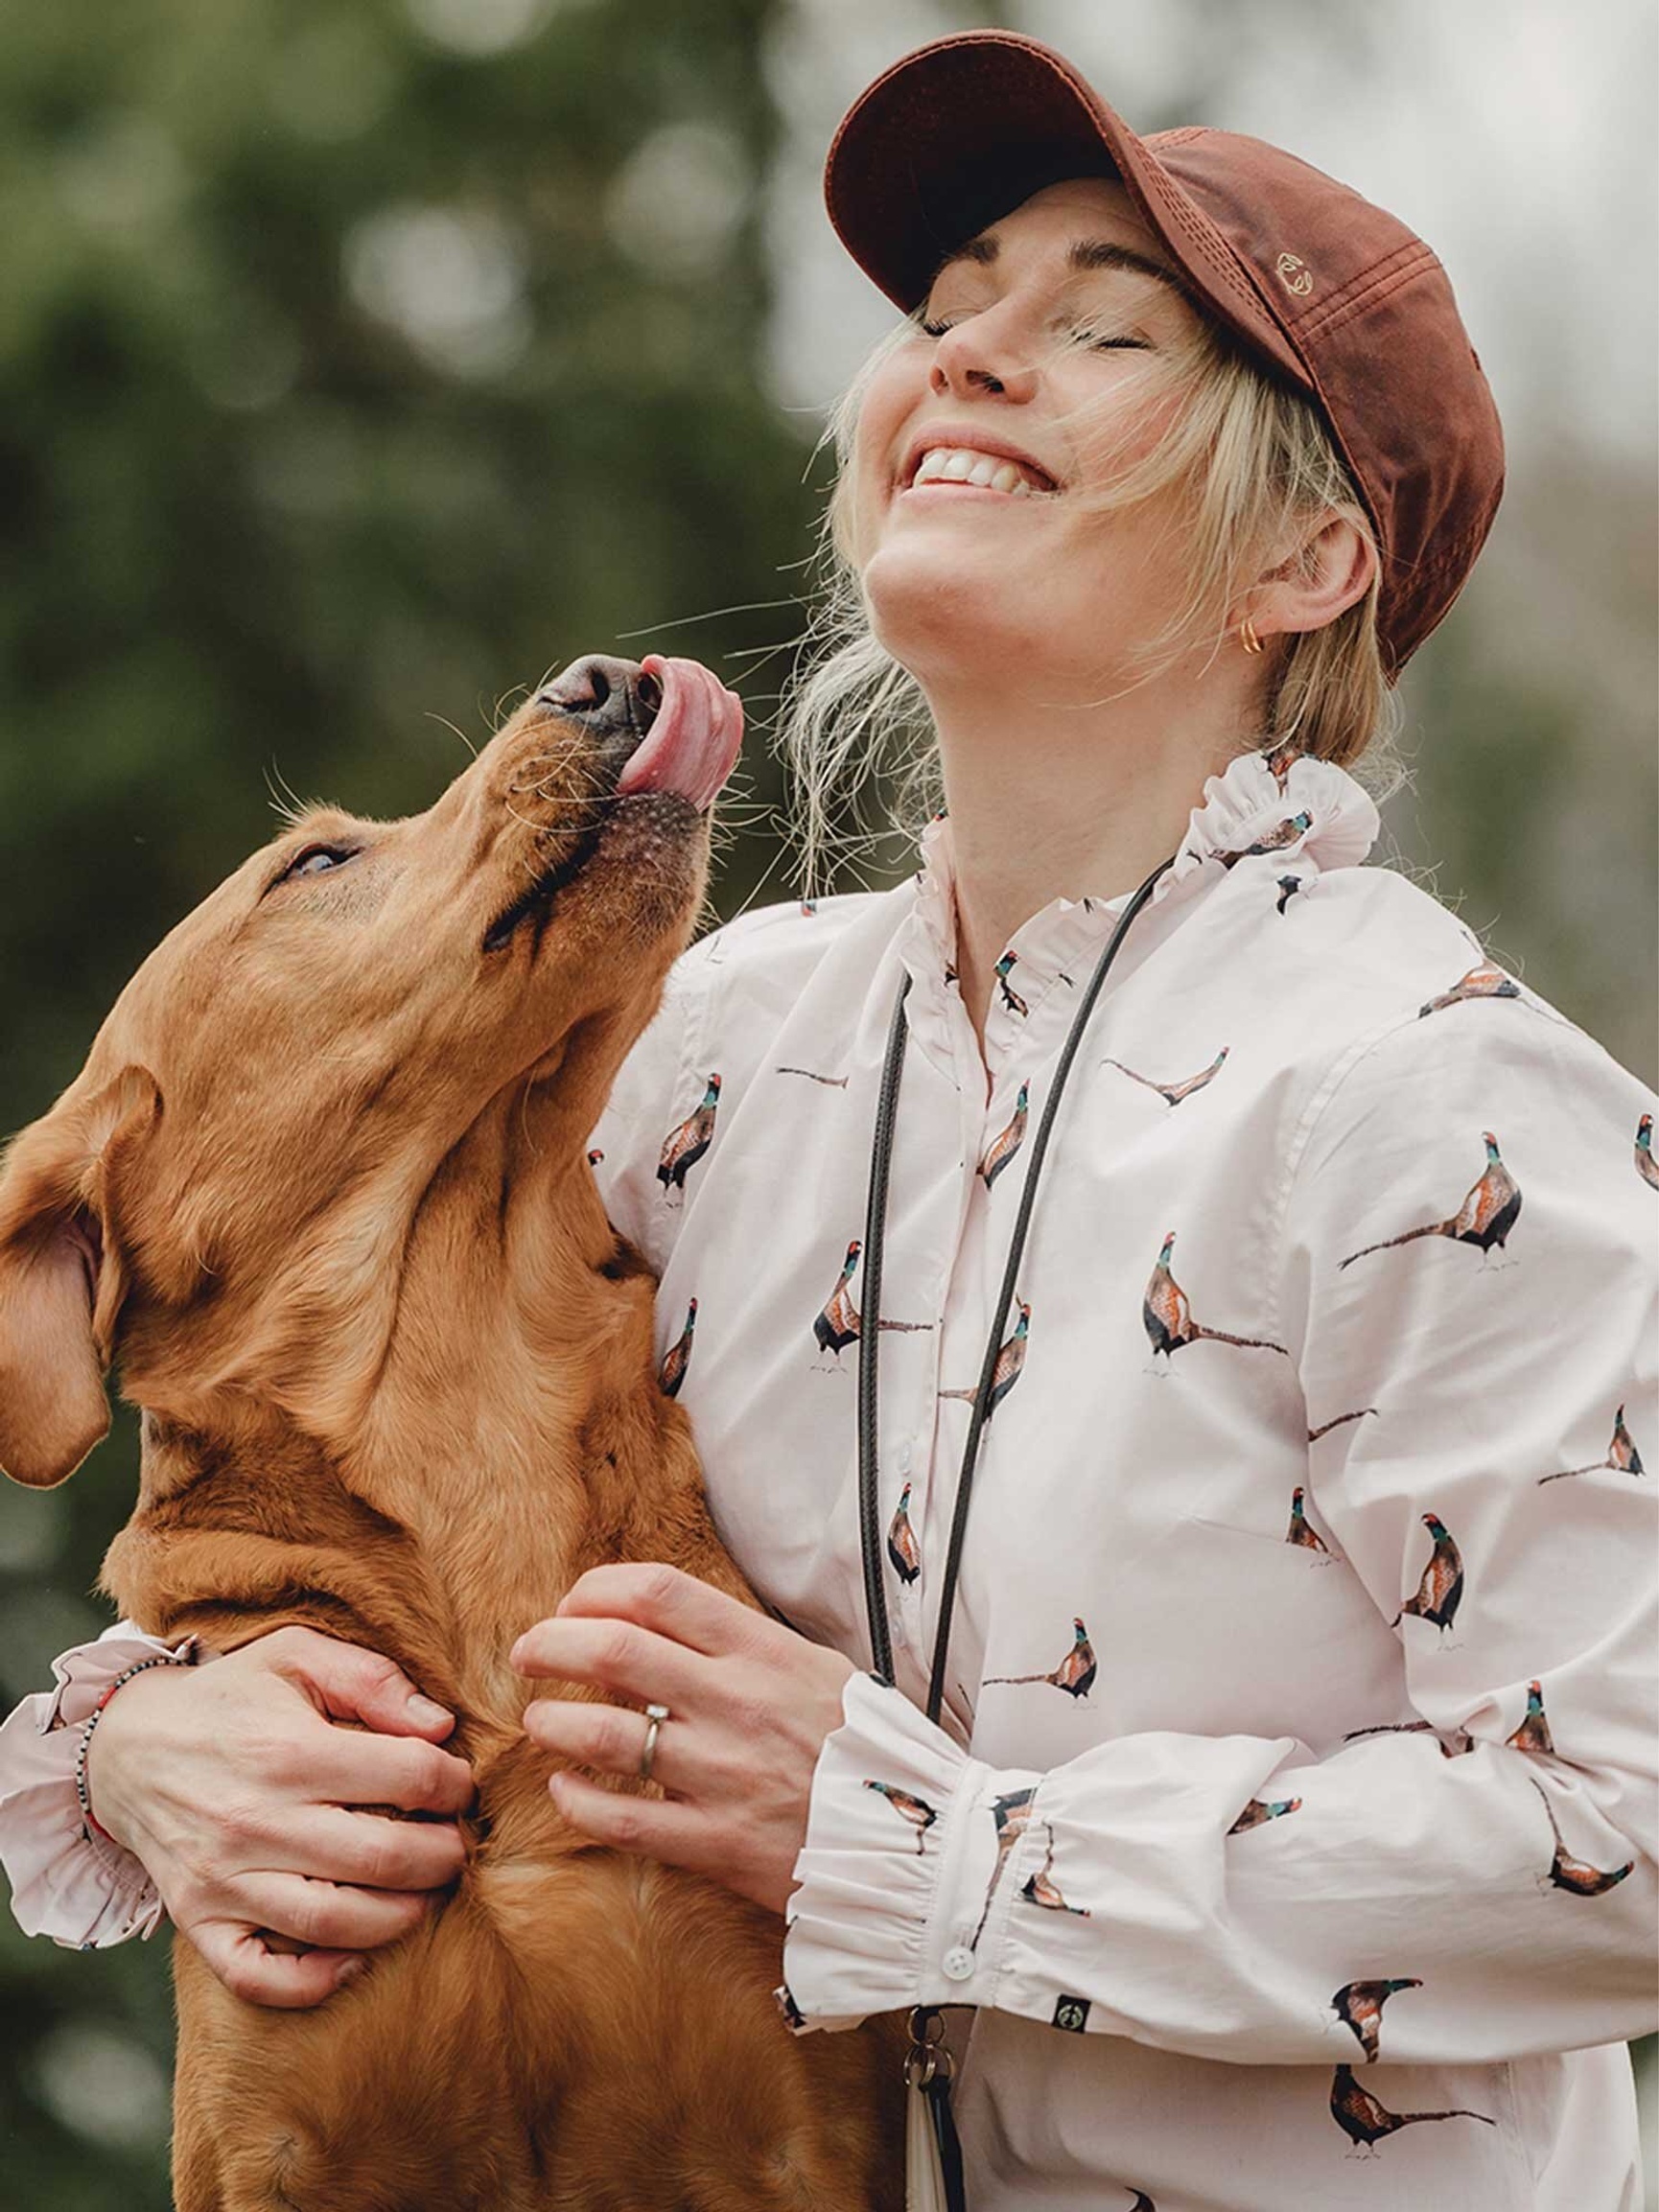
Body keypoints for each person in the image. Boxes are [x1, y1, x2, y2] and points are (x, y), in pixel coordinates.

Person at [3, 31, 1653, 2211]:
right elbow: (353, 1453)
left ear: (1307, 565)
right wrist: (141, 1736)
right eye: (944, 311)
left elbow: (1624, 1820)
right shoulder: (703, 1056)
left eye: (1095, 327)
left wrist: (916, 1847)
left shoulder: (1442, 1100)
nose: (967, 354)